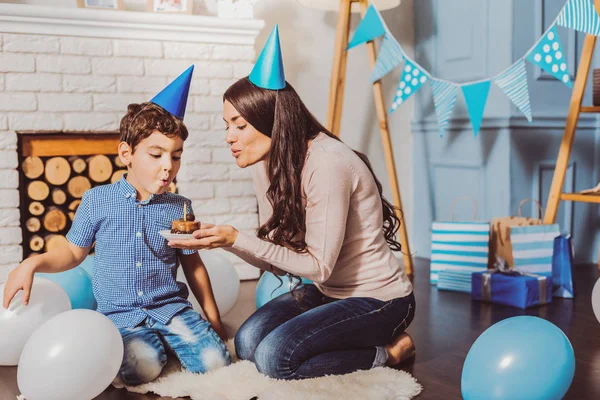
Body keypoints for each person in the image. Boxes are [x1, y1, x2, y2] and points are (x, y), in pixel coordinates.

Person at [168, 26, 415, 380]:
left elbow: (318, 267)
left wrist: (236, 237)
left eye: (238, 126)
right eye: (227, 127)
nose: (229, 138)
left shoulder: (328, 163)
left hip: (380, 300)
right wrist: (223, 240)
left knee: (274, 358)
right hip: (327, 293)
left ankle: (389, 352)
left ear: (269, 117)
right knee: (248, 344)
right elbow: (279, 261)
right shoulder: (267, 165)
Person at [2, 66, 231, 387]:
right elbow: (72, 253)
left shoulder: (180, 207)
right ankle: (162, 347)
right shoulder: (97, 201)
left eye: (176, 156)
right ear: (127, 153)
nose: (168, 166)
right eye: (156, 154)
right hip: (121, 317)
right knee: (142, 368)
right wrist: (32, 263)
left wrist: (214, 321)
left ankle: (176, 340)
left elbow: (193, 265)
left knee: (216, 362)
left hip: (170, 309)